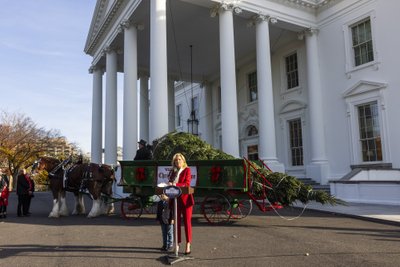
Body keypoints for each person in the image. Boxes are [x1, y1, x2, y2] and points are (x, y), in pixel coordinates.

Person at [168, 153, 194, 255]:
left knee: (187, 223)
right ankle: (177, 244)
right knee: (176, 223)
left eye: (179, 159)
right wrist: (169, 184)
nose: (177, 161)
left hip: (186, 200)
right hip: (176, 200)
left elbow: (186, 183)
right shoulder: (173, 171)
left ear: (183, 161)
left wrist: (175, 184)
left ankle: (188, 244)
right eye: (176, 160)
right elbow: (170, 181)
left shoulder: (187, 170)